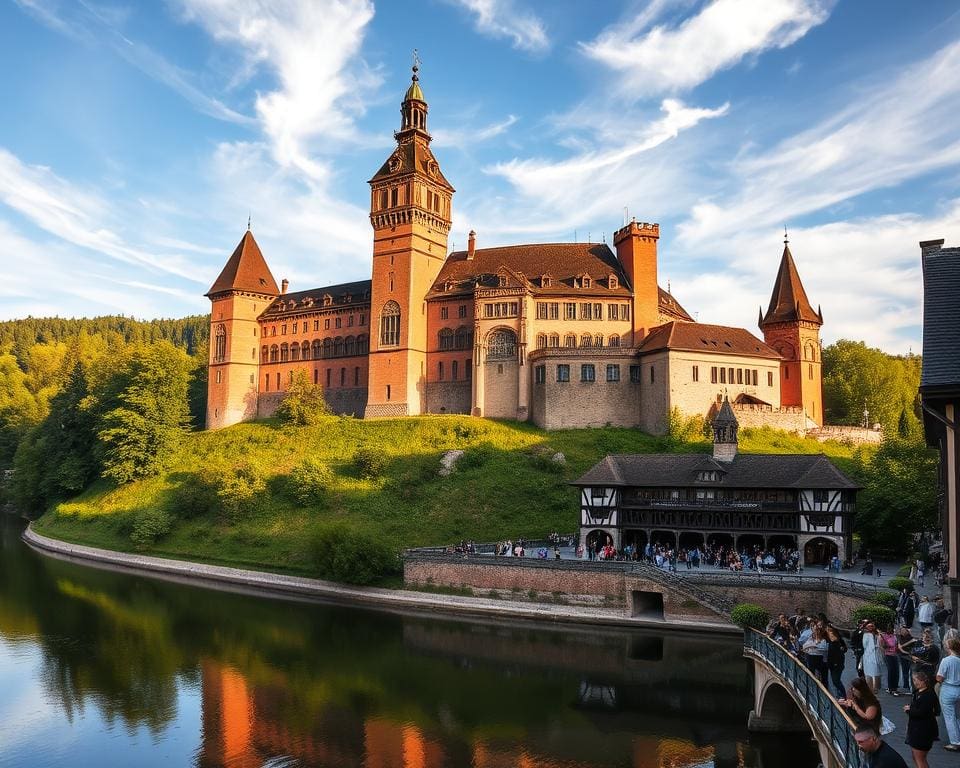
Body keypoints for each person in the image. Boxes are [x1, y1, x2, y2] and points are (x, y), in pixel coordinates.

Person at [904, 667, 940, 768]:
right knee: (916, 757)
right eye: (914, 680)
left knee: (920, 758)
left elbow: (921, 712)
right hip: (917, 729)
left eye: (916, 680)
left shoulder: (928, 695)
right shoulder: (918, 693)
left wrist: (908, 710)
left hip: (923, 731)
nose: (915, 683)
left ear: (923, 681)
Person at [936, 636, 960, 751]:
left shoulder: (946, 660)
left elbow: (940, 678)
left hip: (948, 688)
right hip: (958, 688)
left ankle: (955, 742)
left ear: (949, 647)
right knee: (957, 715)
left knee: (949, 717)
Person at [862, 621, 885, 694]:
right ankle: (870, 687)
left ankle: (876, 687)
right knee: (869, 672)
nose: (871, 627)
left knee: (876, 671)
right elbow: (864, 645)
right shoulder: (866, 635)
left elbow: (882, 643)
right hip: (869, 654)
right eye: (869, 626)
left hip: (877, 653)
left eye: (872, 626)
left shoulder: (878, 634)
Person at [880, 625, 902, 695]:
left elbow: (897, 644)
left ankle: (895, 688)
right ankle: (890, 688)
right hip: (888, 655)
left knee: (896, 671)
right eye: (889, 629)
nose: (891, 630)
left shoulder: (894, 636)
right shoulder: (884, 636)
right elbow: (882, 646)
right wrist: (887, 646)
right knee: (891, 670)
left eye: (891, 628)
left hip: (895, 655)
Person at [826, 625, 847, 698]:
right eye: (829, 631)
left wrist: (842, 649)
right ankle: (839, 695)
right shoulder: (828, 640)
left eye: (831, 631)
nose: (830, 632)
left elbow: (844, 649)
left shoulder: (838, 641)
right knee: (834, 681)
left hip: (838, 663)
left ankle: (843, 696)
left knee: (836, 680)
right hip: (832, 663)